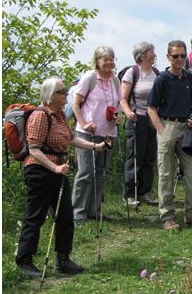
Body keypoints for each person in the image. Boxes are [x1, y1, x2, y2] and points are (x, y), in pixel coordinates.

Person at [16, 77, 107, 279]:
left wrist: (96, 147)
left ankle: (63, 259)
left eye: (66, 91)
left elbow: (71, 139)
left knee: (66, 216)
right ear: (50, 96)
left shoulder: (59, 116)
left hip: (58, 169)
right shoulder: (40, 116)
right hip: (39, 171)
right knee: (35, 216)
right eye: (63, 91)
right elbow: (34, 149)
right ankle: (24, 261)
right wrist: (55, 168)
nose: (67, 94)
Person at [147, 40, 192, 230]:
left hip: (187, 129)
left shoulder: (190, 79)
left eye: (182, 55)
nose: (180, 59)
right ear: (168, 57)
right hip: (167, 126)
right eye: (175, 56)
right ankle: (167, 217)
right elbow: (151, 109)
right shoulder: (162, 79)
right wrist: (161, 131)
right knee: (166, 174)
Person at [71, 46, 122, 224]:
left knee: (101, 172)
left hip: (108, 132)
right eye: (105, 59)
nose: (109, 62)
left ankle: (95, 210)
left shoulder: (114, 80)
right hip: (87, 133)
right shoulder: (90, 78)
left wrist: (118, 117)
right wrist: (83, 123)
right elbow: (75, 103)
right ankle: (78, 213)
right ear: (97, 61)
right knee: (85, 172)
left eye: (111, 59)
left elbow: (117, 104)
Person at [119, 42, 159, 207]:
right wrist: (128, 112)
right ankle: (129, 194)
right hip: (137, 119)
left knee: (150, 156)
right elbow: (122, 97)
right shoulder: (132, 72)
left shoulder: (156, 73)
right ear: (142, 56)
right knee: (135, 156)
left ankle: (145, 192)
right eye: (152, 52)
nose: (155, 55)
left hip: (153, 119)